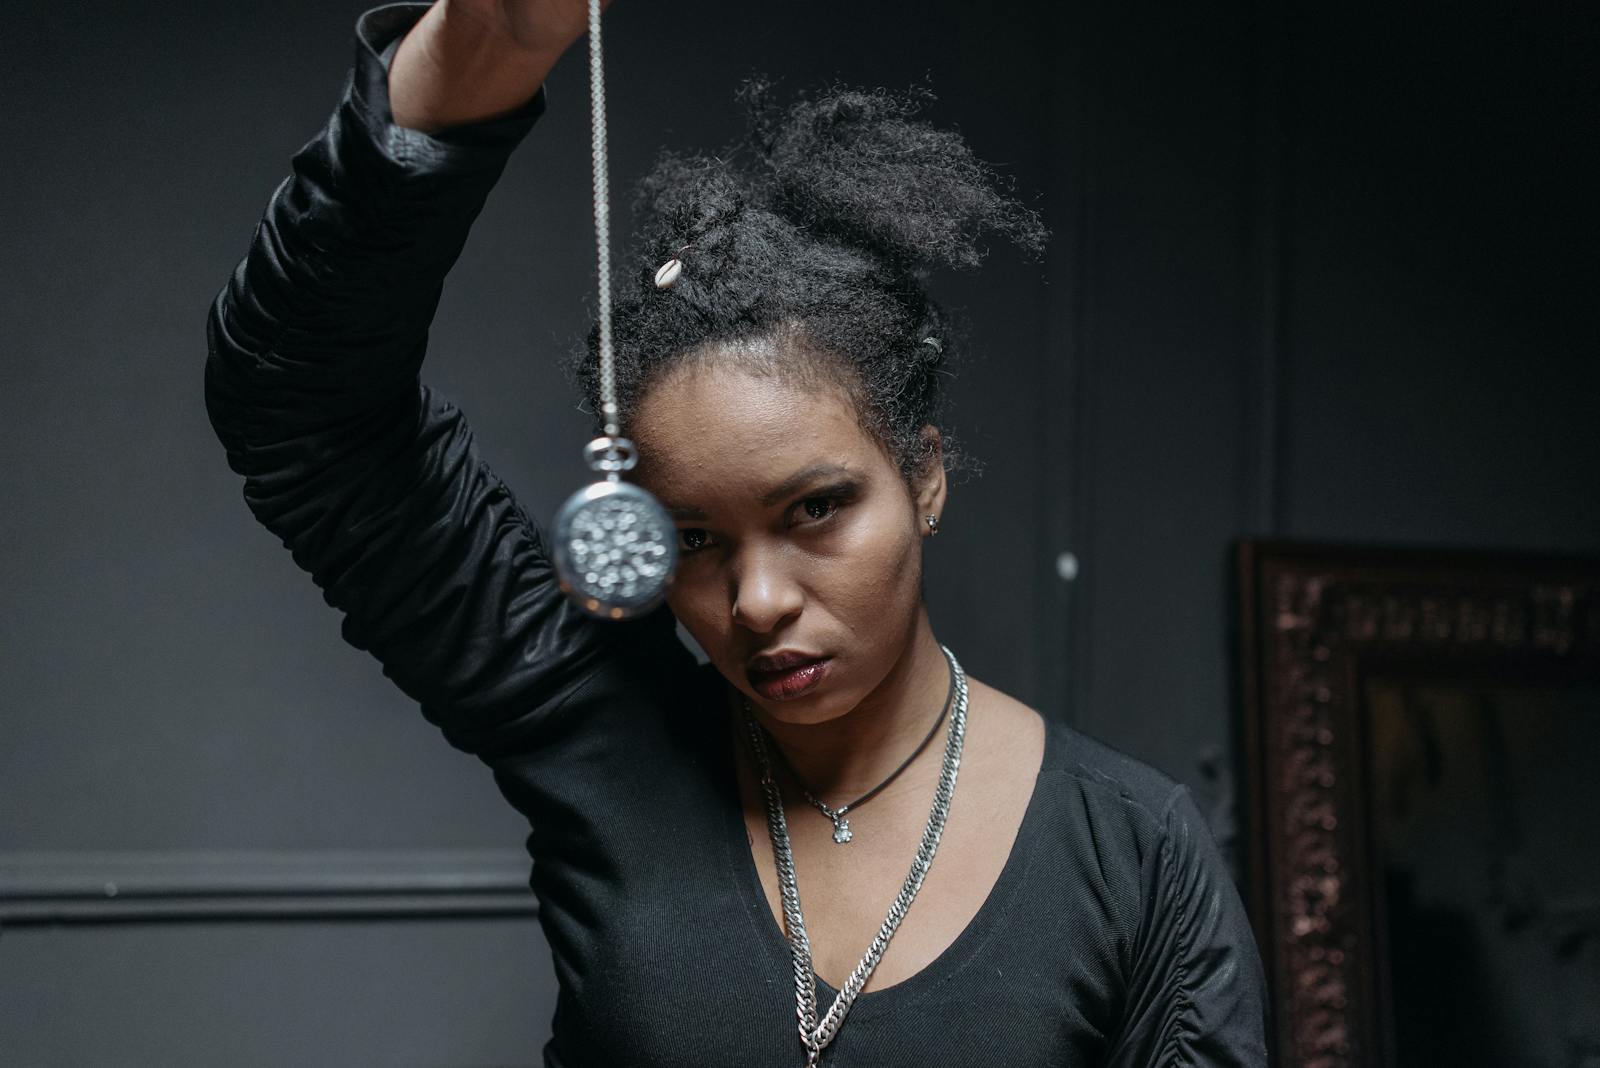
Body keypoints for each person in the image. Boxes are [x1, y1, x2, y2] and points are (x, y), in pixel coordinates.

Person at [204, 0, 1271, 1064]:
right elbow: (297, 405)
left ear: (925, 475)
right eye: (693, 539)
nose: (757, 602)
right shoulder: (602, 735)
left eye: (814, 510)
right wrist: (482, 49)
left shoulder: (1132, 858)